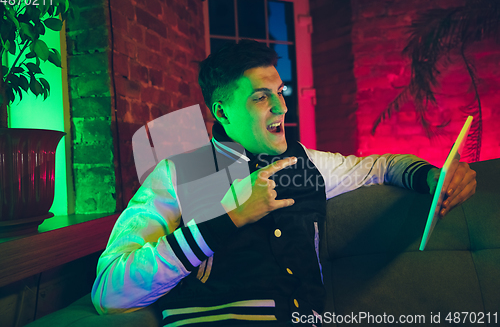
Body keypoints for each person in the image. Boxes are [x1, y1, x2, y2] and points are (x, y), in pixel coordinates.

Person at [91, 40, 477, 326]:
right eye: (262, 97)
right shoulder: (179, 174)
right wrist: (230, 217)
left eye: (280, 92)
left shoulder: (306, 164)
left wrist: (434, 176)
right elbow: (110, 291)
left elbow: (380, 167)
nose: (281, 107)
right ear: (221, 111)